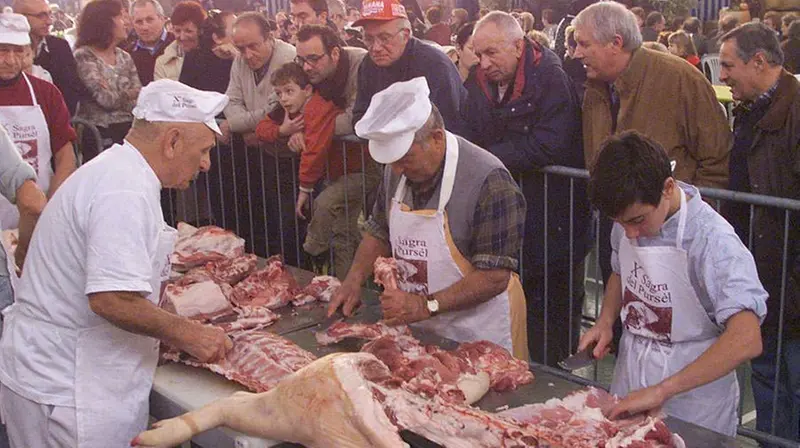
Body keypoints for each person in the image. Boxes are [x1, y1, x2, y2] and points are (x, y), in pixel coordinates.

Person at [0, 79, 232, 448]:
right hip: (72, 385)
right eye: (203, 150)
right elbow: (111, 299)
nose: (206, 164)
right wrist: (191, 335)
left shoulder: (116, 170)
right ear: (172, 141)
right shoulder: (123, 189)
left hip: (60, 370)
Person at [578, 130, 767, 436]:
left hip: (693, 399)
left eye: (638, 220)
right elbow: (619, 271)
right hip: (631, 378)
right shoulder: (628, 219)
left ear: (668, 188)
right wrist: (605, 319)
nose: (629, 233)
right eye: (619, 222)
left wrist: (663, 390)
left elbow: (747, 337)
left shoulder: (714, 241)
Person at [328, 77, 529, 360]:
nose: (396, 170)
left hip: (481, 333)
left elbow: (494, 276)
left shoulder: (489, 180)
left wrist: (426, 306)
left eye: (405, 159)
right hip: (422, 331)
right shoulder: (395, 170)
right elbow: (379, 231)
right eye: (391, 161)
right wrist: (353, 278)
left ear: (436, 138)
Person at [573, 1, 731, 291]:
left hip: (675, 234)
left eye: (584, 44)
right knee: (625, 317)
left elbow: (716, 155)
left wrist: (691, 219)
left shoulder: (680, 78)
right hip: (619, 228)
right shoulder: (594, 89)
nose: (576, 53)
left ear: (615, 42)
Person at [462, 11, 590, 365]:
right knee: (515, 303)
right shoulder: (478, 81)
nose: (484, 63)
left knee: (553, 307)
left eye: (492, 53)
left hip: (555, 214)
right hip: (509, 215)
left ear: (518, 46)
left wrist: (486, 158)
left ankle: (555, 377)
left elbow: (550, 145)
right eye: (478, 54)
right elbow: (468, 130)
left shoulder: (551, 79)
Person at [718, 22, 800, 445]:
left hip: (790, 275)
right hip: (764, 273)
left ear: (760, 62)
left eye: (729, 66)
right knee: (767, 378)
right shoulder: (750, 110)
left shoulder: (794, 112)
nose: (722, 75)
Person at [216, 12, 296, 259]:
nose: (248, 54)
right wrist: (247, 125)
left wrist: (236, 125)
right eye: (241, 48)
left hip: (288, 156)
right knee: (258, 216)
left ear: (269, 37)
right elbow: (232, 99)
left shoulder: (288, 58)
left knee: (288, 222)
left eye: (253, 46)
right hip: (256, 154)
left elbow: (275, 108)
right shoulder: (240, 60)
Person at [0, 13, 76, 229]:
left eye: (18, 51)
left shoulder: (46, 92)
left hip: (38, 214)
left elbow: (65, 155)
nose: (11, 60)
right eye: (3, 50)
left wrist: (50, 206)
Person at [351, 0, 467, 135]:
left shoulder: (434, 64)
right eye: (369, 39)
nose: (376, 48)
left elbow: (447, 125)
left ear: (405, 35)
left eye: (384, 38)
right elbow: (359, 117)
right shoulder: (367, 65)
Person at [73, 0, 141, 161]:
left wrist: (120, 94)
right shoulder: (84, 56)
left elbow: (139, 99)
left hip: (129, 132)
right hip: (99, 135)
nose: (125, 22)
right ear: (104, 21)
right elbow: (105, 99)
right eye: (119, 17)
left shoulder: (125, 57)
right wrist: (129, 93)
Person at [12, 0, 88, 116]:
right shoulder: (7, 51)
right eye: (41, 16)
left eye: (49, 14)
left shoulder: (60, 46)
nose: (49, 21)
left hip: (56, 119)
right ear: (19, 17)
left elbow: (72, 90)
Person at [179, 10, 237, 93]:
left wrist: (238, 59)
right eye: (235, 29)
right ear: (217, 38)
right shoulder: (194, 60)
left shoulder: (244, 58)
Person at [154, 0, 206, 81]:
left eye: (188, 31)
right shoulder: (162, 63)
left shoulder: (216, 56)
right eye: (177, 31)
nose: (182, 37)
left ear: (200, 31)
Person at [127, 0, 173, 86]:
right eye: (139, 22)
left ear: (162, 19)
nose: (145, 27)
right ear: (132, 24)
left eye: (150, 19)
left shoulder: (179, 45)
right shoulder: (128, 56)